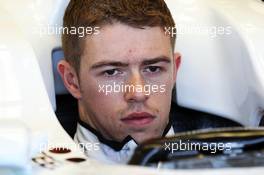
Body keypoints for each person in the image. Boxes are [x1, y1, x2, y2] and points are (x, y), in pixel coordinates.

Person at [57, 0, 241, 164]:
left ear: (174, 70)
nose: (138, 93)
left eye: (153, 69)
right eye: (111, 72)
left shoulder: (235, 155)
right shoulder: (33, 160)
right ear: (72, 81)